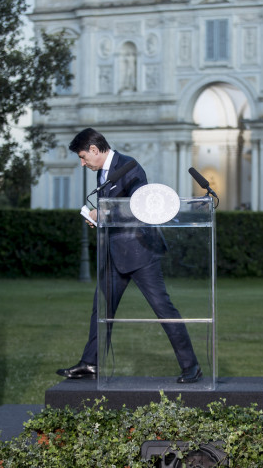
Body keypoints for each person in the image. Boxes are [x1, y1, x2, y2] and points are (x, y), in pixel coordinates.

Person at [56, 128, 202, 383]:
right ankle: (90, 364)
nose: (82, 163)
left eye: (82, 157)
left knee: (163, 308)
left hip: (141, 252)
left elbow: (139, 207)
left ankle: (192, 367)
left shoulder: (129, 167)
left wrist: (105, 215)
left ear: (93, 149)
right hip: (114, 252)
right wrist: (101, 219)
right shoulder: (102, 170)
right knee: (100, 309)